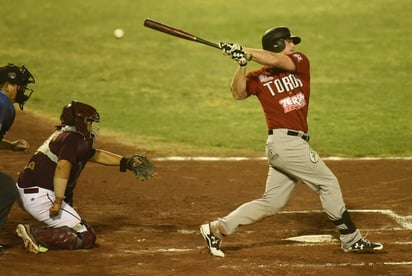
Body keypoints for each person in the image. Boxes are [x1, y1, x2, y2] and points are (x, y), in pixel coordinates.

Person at [199, 26, 383, 257]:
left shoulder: (298, 62)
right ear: (277, 44)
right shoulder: (259, 77)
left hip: (287, 146)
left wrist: (245, 50)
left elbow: (277, 60)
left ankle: (216, 229)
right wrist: (242, 64)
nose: (293, 45)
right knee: (328, 183)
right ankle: (351, 238)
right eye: (288, 42)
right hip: (285, 144)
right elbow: (238, 93)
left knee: (272, 202)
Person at [15, 100, 156, 253]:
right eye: (89, 121)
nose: (91, 126)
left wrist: (126, 162)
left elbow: (94, 154)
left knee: (76, 225)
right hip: (40, 196)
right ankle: (36, 234)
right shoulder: (72, 139)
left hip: (29, 191)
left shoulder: (65, 135)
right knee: (85, 236)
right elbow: (63, 166)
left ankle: (51, 227)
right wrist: (58, 201)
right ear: (80, 121)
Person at [0, 64, 35, 254]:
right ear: (6, 85)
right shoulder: (4, 105)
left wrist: (10, 145)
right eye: (17, 85)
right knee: (5, 190)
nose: (20, 89)